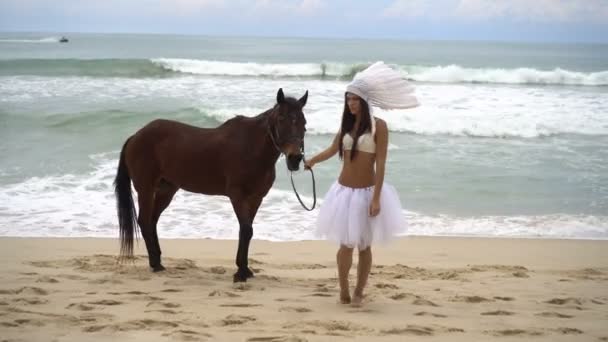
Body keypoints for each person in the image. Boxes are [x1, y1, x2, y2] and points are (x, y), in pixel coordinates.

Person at [304, 61, 418, 307]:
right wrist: (312, 160)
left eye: (355, 99)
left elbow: (382, 164)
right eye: (348, 99)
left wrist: (377, 198)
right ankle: (343, 290)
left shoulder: (380, 127)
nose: (351, 104)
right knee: (345, 246)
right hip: (343, 193)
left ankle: (359, 291)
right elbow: (333, 149)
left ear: (364, 101)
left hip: (367, 194)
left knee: (364, 246)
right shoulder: (346, 125)